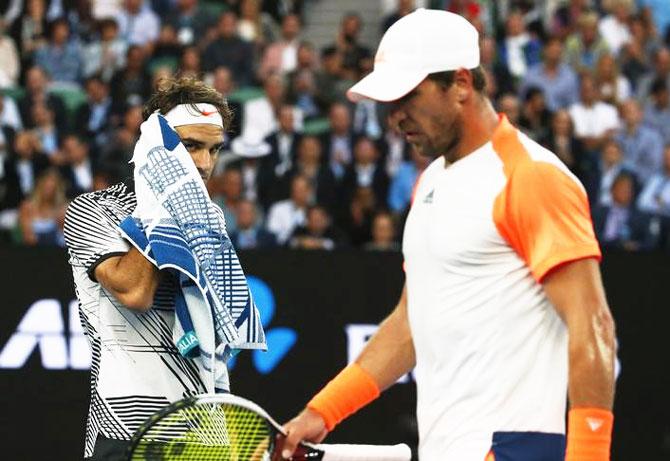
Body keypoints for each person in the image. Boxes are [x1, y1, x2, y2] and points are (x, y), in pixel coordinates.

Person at [281, 9, 616, 461]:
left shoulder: (532, 178)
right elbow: (408, 326)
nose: (395, 117)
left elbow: (592, 325)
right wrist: (320, 414)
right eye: (388, 104)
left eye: (408, 97)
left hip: (514, 449)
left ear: (460, 83)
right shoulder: (430, 182)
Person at [63, 77, 240, 460]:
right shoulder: (92, 211)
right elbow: (135, 292)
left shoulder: (210, 219)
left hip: (203, 434)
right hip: (124, 430)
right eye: (191, 146)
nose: (205, 164)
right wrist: (164, 200)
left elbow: (213, 342)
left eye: (214, 150)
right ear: (157, 142)